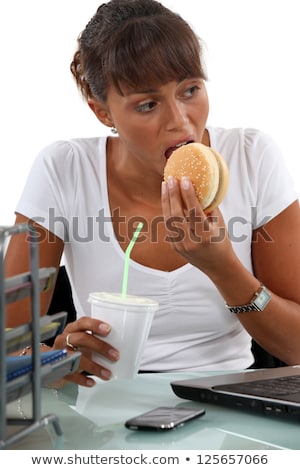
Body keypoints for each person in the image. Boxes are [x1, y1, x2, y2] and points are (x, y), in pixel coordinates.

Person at [5, 0, 300, 387]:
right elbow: (10, 351)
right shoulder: (64, 169)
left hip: (233, 401)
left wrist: (222, 267)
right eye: (147, 105)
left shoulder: (251, 157)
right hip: (104, 413)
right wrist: (57, 360)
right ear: (103, 112)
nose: (180, 121)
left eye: (190, 89)